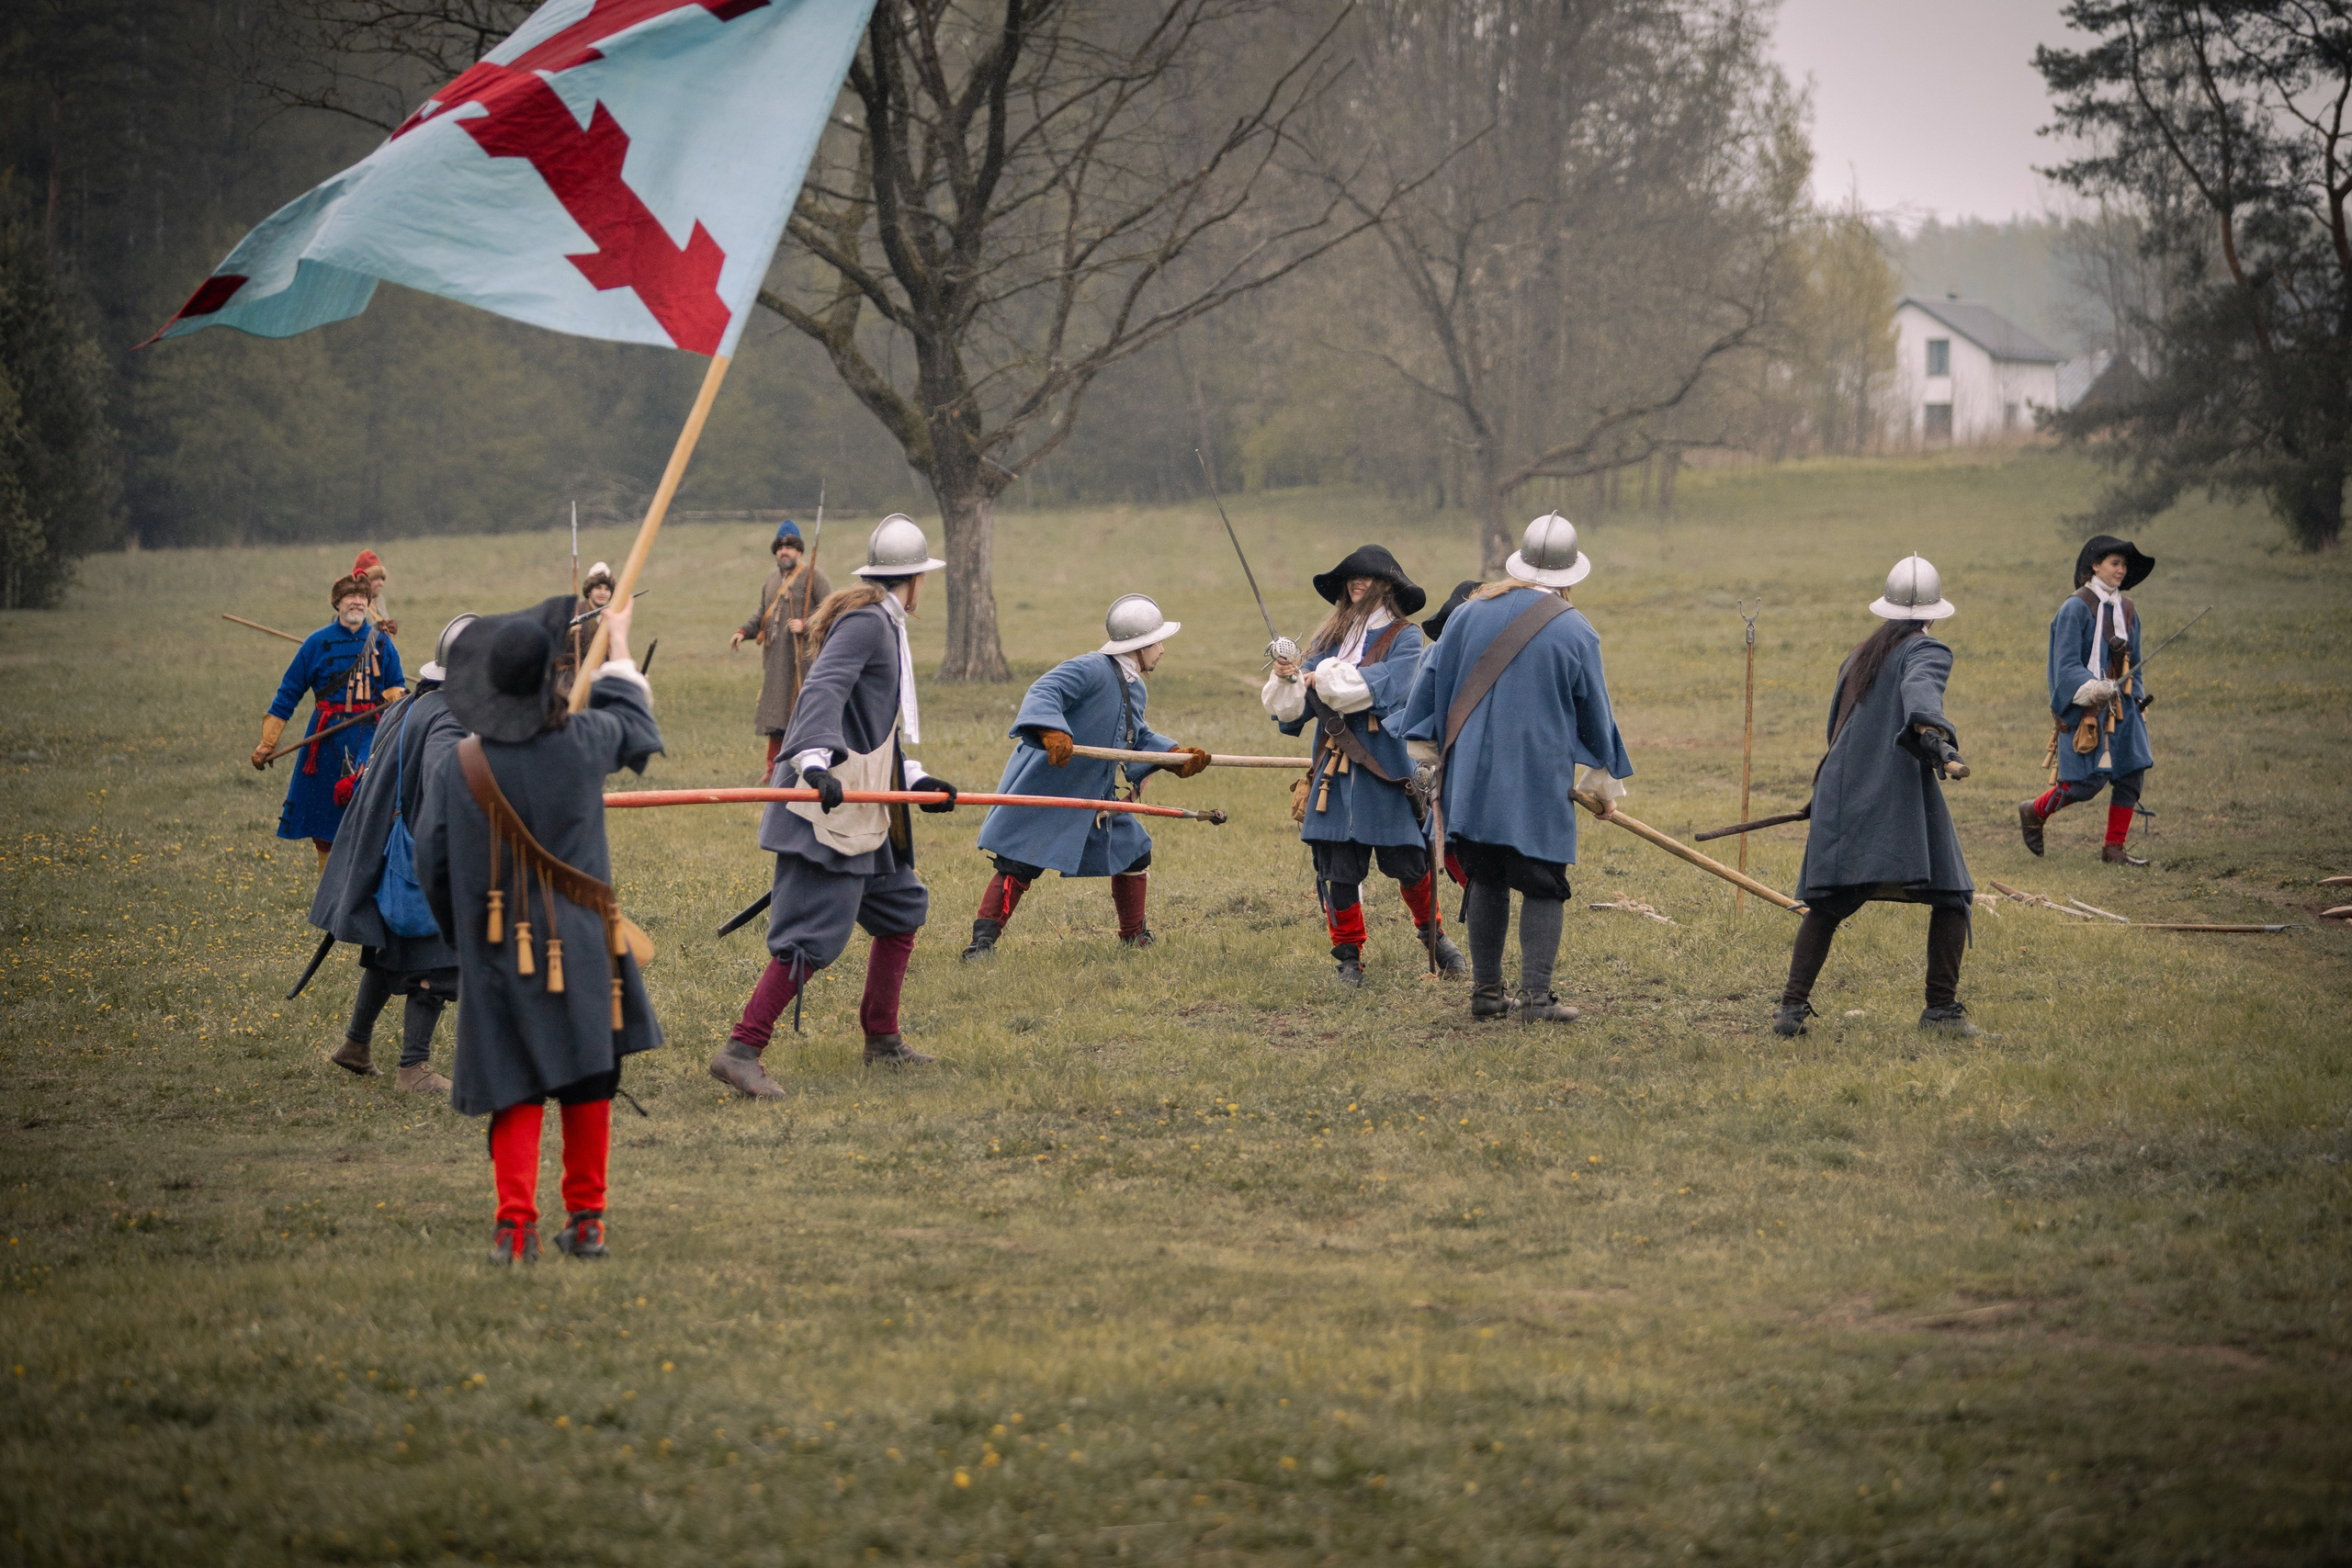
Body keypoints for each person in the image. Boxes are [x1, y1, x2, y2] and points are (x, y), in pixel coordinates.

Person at [415, 592, 663, 1264]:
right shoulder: (583, 743)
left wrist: (465, 936)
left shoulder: (458, 764)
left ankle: (514, 1229)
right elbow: (636, 725)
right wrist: (618, 644)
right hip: (583, 945)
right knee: (587, 1080)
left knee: (515, 1084)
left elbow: (429, 861)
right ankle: (587, 1223)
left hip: (498, 948)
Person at [708, 515, 963, 1098]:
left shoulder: (886, 623)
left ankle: (883, 1041)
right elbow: (824, 688)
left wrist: (916, 782)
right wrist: (813, 763)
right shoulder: (869, 624)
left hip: (869, 809)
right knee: (811, 940)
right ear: (915, 579)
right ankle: (740, 1050)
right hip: (828, 809)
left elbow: (874, 726)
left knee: (901, 911)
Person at [1399, 516, 1632, 1021]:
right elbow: (1596, 713)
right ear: (1570, 575)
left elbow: (1429, 684)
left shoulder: (1467, 614)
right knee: (1541, 879)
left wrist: (1431, 759)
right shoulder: (1576, 629)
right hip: (1536, 778)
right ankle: (1535, 999)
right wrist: (1601, 784)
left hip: (1472, 775)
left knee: (1487, 876)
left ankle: (1486, 994)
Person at [1773, 555, 1982, 1039]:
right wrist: (1933, 734)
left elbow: (1839, 732)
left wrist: (1828, 797)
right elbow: (1922, 693)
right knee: (1953, 894)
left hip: (1844, 792)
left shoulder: (1860, 654)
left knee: (1830, 901)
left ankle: (1790, 1010)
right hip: (1892, 794)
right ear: (1933, 612)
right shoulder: (1926, 650)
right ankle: (1941, 1012)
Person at [964, 594, 1210, 959]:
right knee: (1018, 863)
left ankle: (1133, 936)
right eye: (1158, 641)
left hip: (1096, 794)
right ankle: (981, 944)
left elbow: (1135, 736)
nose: (1162, 650)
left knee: (1134, 853)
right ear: (1140, 645)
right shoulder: (1091, 668)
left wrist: (1172, 757)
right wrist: (1052, 732)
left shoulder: (1134, 686)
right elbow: (1045, 691)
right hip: (1052, 785)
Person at [1263, 547, 1464, 984]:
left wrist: (1320, 676)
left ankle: (1434, 935)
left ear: (1387, 585)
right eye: (1351, 578)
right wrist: (1288, 676)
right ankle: (1348, 957)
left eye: (1366, 577)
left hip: (1385, 769)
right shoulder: (1330, 641)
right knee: (1340, 869)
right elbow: (1292, 711)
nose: (1356, 584)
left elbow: (1382, 688)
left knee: (1411, 863)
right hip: (1334, 772)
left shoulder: (1405, 637)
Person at [311, 614, 477, 1091]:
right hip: (426, 856)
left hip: (391, 850)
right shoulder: (451, 715)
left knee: (391, 951)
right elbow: (445, 778)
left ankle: (356, 1044)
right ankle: (414, 1068)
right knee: (442, 958)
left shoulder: (415, 703)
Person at [2019, 535, 2156, 866]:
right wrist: (2094, 689)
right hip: (2087, 708)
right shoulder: (2074, 608)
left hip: (2123, 709)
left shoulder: (2127, 610)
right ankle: (2034, 810)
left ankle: (2114, 849)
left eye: (2124, 565)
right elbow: (2064, 665)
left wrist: (2136, 700)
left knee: (2131, 774)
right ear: (2095, 566)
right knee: (2083, 785)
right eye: (2114, 563)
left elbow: (2132, 665)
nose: (2121, 570)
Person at [253, 573, 405, 870]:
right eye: (350, 597)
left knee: (371, 818)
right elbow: (288, 692)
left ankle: (362, 889)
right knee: (325, 826)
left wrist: (395, 699)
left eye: (363, 597)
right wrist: (267, 743)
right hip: (323, 742)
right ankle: (328, 892)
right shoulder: (316, 643)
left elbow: (395, 687)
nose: (358, 602)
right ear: (337, 603)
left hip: (368, 738)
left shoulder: (382, 643)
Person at [729, 521, 832, 781]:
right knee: (776, 716)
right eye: (780, 547)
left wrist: (806, 624)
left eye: (790, 547)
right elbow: (762, 613)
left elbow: (831, 613)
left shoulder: (814, 577)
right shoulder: (772, 579)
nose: (784, 552)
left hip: (803, 660)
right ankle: (772, 769)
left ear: (799, 551)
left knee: (801, 712)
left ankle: (804, 767)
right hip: (776, 659)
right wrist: (743, 632)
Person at [353, 548, 397, 636]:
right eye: (376, 578)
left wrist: (389, 630)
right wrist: (377, 630)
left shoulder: (380, 600)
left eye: (382, 579)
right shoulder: (352, 604)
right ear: (363, 580)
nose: (381, 583)